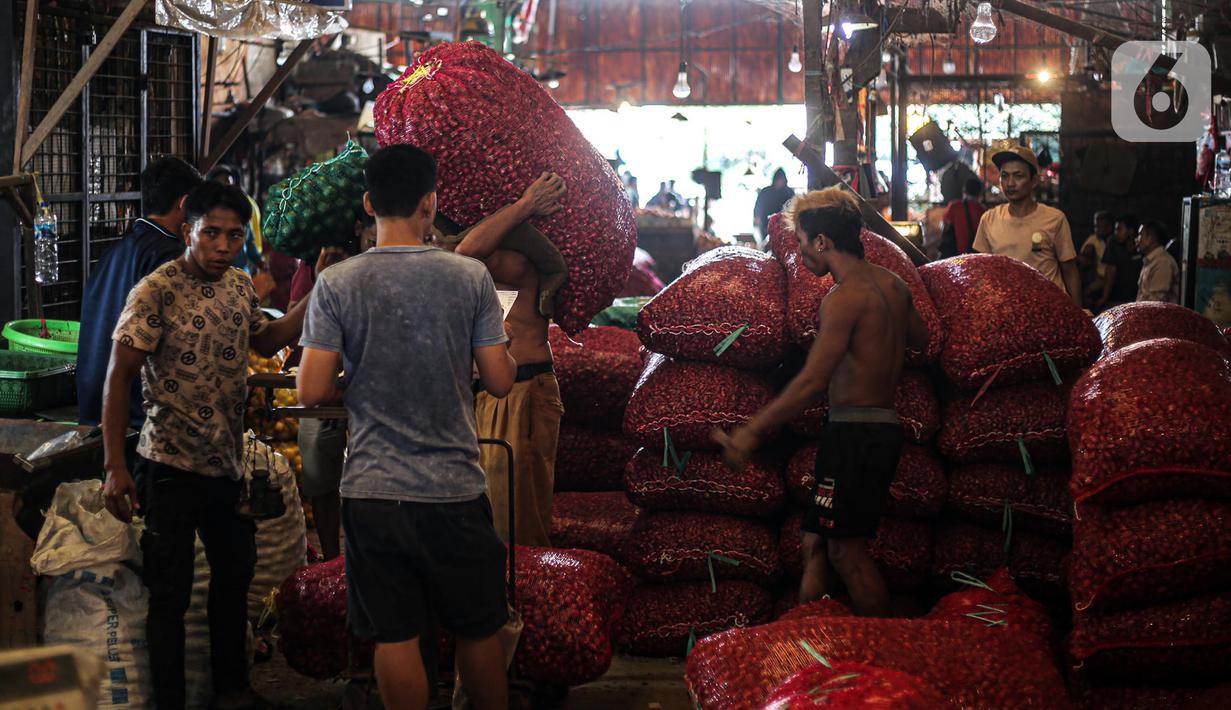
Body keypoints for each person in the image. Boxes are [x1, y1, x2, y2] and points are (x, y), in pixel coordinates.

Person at [296, 145, 515, 710]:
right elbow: (498, 381)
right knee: (478, 628)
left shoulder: (337, 284)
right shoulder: (470, 277)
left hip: (373, 491)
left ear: (369, 203)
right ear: (430, 204)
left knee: (393, 636)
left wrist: (366, 376)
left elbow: (313, 391)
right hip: (455, 491)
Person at [100, 181, 312, 710]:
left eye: (234, 235)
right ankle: (171, 701)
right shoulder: (157, 290)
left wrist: (318, 296)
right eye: (211, 233)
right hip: (167, 465)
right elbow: (118, 377)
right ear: (187, 229)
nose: (222, 245)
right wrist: (114, 467)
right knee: (169, 595)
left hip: (227, 465)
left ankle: (232, 689)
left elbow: (265, 340)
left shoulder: (240, 286)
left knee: (232, 581)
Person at [712, 187, 929, 618]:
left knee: (846, 553)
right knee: (815, 539)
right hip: (880, 427)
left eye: (801, 241)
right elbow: (921, 341)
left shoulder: (843, 298)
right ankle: (809, 641)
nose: (799, 251)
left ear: (823, 241)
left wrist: (751, 432)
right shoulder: (894, 286)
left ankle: (886, 655)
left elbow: (813, 380)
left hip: (854, 435)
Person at [448, 172, 567, 547]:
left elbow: (466, 253)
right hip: (495, 392)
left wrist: (526, 204)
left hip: (522, 391)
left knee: (516, 519)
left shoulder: (515, 259)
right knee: (492, 516)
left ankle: (523, 600)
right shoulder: (493, 256)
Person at [78, 157, 204, 436]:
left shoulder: (110, 255)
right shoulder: (172, 259)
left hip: (92, 415)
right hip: (142, 421)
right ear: (184, 203)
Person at [285, 212, 378, 562]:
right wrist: (320, 282)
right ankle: (330, 560)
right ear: (358, 227)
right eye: (372, 234)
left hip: (376, 392)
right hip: (326, 384)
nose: (379, 241)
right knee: (320, 472)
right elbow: (293, 323)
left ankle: (365, 557)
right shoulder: (319, 264)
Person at [973, 146, 1082, 306]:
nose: (1010, 183)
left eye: (1018, 176)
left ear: (1034, 181)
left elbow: (1070, 271)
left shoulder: (1054, 219)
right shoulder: (989, 219)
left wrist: (1079, 315)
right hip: (1008, 311)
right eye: (1005, 176)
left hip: (1050, 311)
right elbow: (982, 272)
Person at [207, 165, 266, 276]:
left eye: (229, 183)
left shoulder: (241, 214)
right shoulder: (205, 216)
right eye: (221, 184)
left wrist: (260, 262)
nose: (226, 188)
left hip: (241, 274)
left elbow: (250, 243)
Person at [1093, 214, 1143, 312]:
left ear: (1131, 231)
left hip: (1137, 297)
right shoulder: (1113, 243)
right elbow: (1110, 272)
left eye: (1119, 229)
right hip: (1116, 296)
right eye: (1116, 229)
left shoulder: (1141, 247)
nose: (1116, 233)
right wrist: (1104, 297)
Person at [938, 177, 986, 257]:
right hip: (976, 256)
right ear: (979, 193)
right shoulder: (983, 210)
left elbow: (944, 227)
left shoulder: (954, 206)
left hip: (956, 255)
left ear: (964, 191)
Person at [1136, 220, 1181, 304]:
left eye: (1140, 235)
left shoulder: (1163, 262)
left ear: (1151, 238)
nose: (1137, 240)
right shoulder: (1151, 261)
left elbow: (1155, 304)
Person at [1078, 211, 1113, 307]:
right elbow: (1082, 258)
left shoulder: (1114, 241)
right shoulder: (1093, 239)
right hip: (1096, 276)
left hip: (1110, 277)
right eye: (1095, 226)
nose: (1096, 229)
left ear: (1109, 227)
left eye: (1098, 226)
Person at [753, 168, 796, 242]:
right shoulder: (766, 191)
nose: (779, 182)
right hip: (766, 224)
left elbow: (794, 208)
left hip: (784, 226)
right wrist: (757, 216)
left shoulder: (789, 192)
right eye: (778, 180)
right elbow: (758, 206)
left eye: (781, 180)